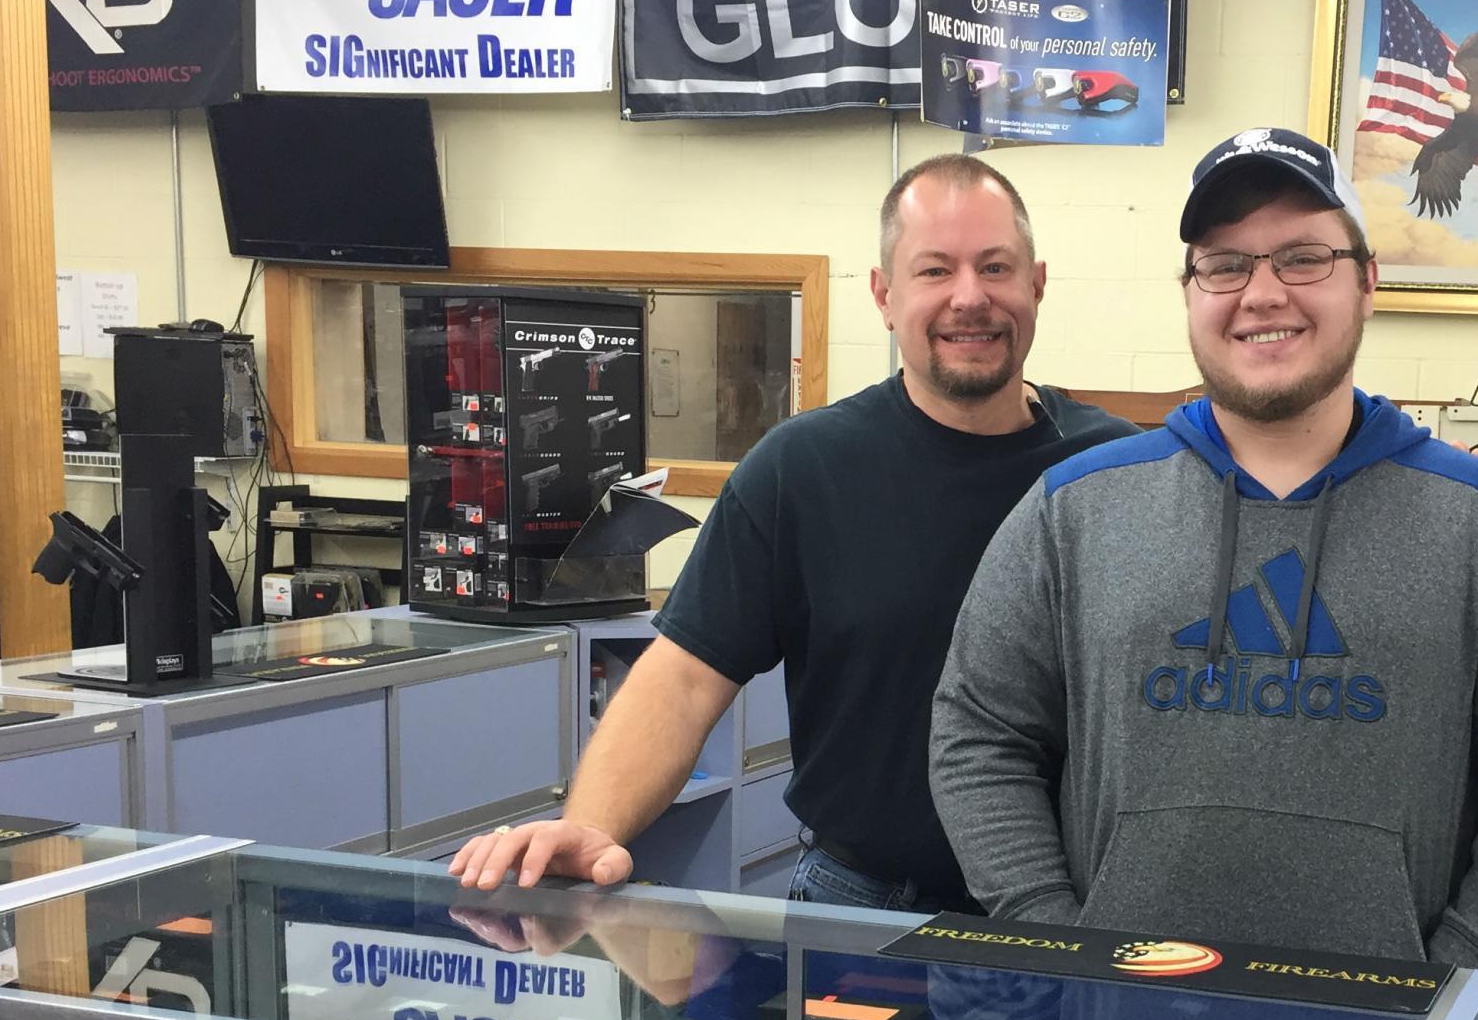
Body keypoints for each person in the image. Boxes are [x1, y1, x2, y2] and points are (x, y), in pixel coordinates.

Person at [929, 127, 1478, 975]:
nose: (1262, 293)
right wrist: (1054, 934)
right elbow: (977, 732)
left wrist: (1458, 978)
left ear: (1368, 281)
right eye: (1227, 264)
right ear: (1190, 291)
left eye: (1303, 257)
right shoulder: (1074, 511)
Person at [451, 154, 1138, 909]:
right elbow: (682, 679)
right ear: (883, 295)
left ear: (1036, 283)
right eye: (935, 270)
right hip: (863, 905)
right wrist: (590, 825)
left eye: (995, 267)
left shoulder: (1112, 473)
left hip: (1071, 911)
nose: (968, 298)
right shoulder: (803, 469)